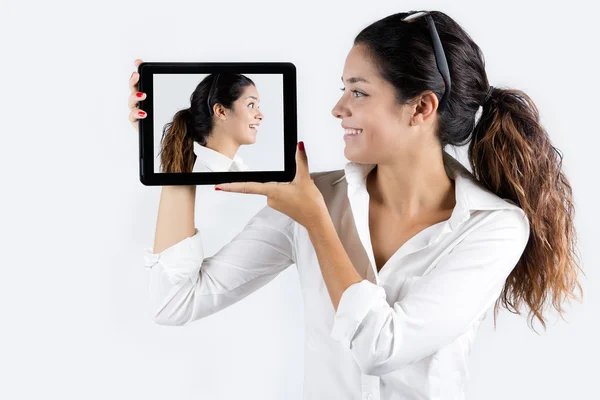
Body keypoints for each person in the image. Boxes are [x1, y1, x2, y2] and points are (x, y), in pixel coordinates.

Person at [127, 10, 583, 400]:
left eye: (358, 91)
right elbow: (176, 302)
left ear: (422, 108)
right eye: (343, 88)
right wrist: (177, 164)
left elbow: (381, 346)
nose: (338, 108)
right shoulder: (314, 195)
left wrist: (316, 222)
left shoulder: (493, 227)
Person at [157, 73, 261, 173]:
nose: (260, 115)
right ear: (221, 111)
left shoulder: (235, 167)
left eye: (258, 106)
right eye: (251, 105)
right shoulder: (205, 180)